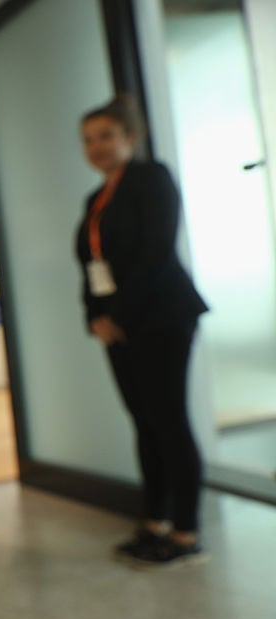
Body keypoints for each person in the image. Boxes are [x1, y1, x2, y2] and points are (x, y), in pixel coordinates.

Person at [75, 95, 208, 567]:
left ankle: (186, 532)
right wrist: (95, 316)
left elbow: (156, 254)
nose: (96, 147)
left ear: (130, 137)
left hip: (162, 318)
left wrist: (118, 315)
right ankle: (155, 522)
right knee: (145, 424)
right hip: (119, 327)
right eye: (88, 140)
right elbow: (92, 267)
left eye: (106, 136)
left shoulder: (152, 179)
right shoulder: (96, 200)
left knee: (169, 422)